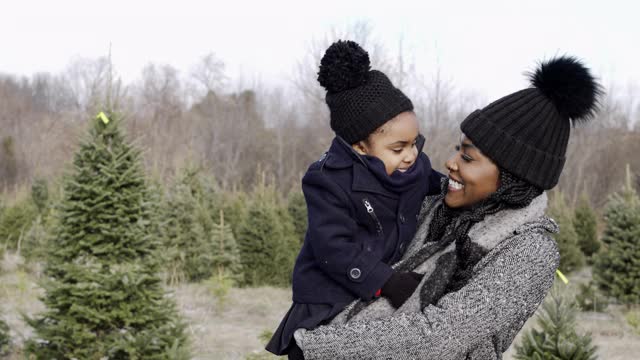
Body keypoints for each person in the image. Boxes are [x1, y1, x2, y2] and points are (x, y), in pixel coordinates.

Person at [293, 56, 603, 359]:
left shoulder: (530, 250)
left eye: (467, 157)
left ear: (511, 176)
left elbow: (438, 337)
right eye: (458, 150)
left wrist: (318, 346)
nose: (450, 163)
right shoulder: (438, 206)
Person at [265, 40, 444, 359]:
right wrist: (385, 280)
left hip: (377, 289)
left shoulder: (416, 166)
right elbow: (332, 247)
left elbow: (442, 188)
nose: (411, 155)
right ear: (361, 147)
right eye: (398, 148)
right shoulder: (329, 180)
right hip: (329, 295)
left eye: (414, 142)